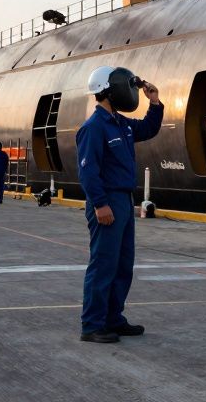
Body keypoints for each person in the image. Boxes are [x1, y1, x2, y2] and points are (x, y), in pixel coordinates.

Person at [76, 65, 163, 344]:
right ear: (107, 90)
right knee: (103, 263)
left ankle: (113, 318)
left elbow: (149, 128)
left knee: (123, 264)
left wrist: (155, 102)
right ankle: (92, 324)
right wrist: (100, 204)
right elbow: (88, 171)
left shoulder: (121, 124)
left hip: (124, 200)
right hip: (107, 201)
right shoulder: (93, 127)